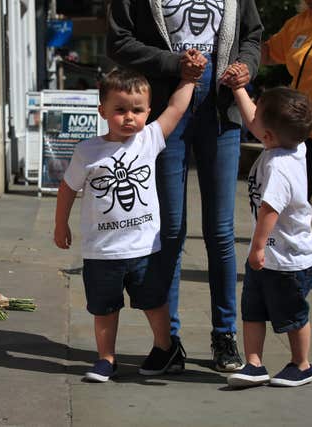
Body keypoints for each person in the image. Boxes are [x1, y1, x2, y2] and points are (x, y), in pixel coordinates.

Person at [107, 0, 263, 371]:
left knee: (221, 232)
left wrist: (245, 67)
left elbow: (252, 36)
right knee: (170, 229)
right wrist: (174, 63)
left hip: (221, 111)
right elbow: (118, 42)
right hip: (165, 109)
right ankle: (168, 341)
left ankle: (224, 335)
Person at [54, 67, 196, 382]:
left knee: (154, 302)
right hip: (101, 251)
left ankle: (165, 348)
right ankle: (106, 358)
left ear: (148, 111)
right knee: (104, 308)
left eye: (137, 110)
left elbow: (176, 108)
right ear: (102, 110)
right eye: (120, 110)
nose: (129, 117)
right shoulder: (87, 151)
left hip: (144, 247)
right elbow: (67, 188)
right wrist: (60, 225)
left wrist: (190, 79)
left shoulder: (150, 138)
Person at [225, 83, 312, 387]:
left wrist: (257, 247)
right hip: (271, 259)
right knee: (252, 310)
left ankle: (301, 365)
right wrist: (239, 89)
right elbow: (257, 121)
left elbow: (269, 211)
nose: (253, 118)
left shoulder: (279, 167)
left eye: (259, 111)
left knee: (292, 315)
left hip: (287, 260)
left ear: (267, 136)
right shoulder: (294, 143)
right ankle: (254, 364)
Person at [261, 0, 312, 286]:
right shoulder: (300, 23)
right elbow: (269, 52)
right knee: (292, 199)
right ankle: (284, 259)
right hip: (302, 132)